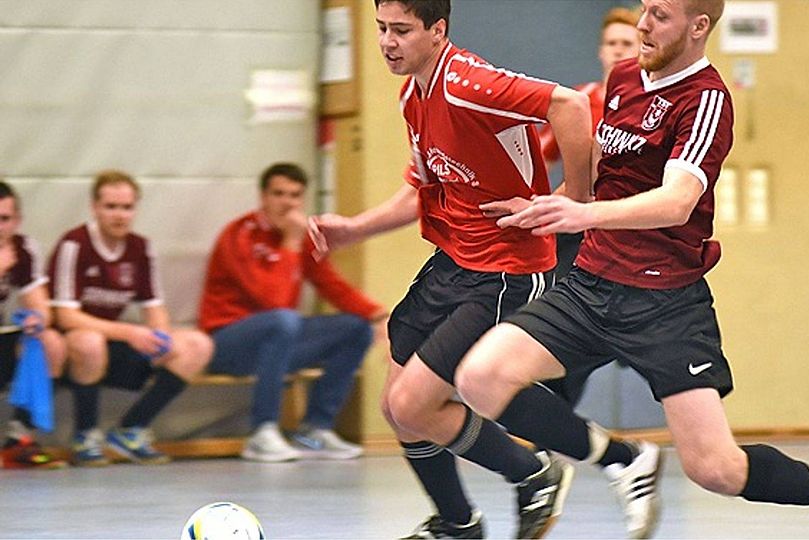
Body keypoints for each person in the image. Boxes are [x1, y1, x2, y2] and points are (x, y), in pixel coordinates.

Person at [456, 1, 809, 539]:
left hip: (665, 303)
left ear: (698, 26)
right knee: (481, 377)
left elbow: (677, 201)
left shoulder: (705, 99)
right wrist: (540, 208)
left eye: (660, 14)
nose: (642, 25)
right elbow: (593, 179)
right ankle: (624, 460)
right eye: (643, 10)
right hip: (591, 285)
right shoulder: (622, 79)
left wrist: (584, 213)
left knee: (716, 470)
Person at [310, 1, 595, 536]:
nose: (387, 42)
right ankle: (458, 522)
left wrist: (572, 201)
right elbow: (421, 186)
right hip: (454, 263)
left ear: (437, 30)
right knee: (397, 407)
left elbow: (572, 106)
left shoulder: (468, 82)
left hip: (508, 269)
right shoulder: (412, 96)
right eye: (381, 29)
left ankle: (534, 473)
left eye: (401, 30)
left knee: (415, 404)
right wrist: (354, 228)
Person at [198, 162, 385, 462]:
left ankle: (315, 430)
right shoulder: (239, 235)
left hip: (279, 340)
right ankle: (262, 432)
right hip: (227, 344)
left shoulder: (302, 239)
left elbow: (330, 284)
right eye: (279, 194)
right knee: (283, 321)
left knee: (356, 328)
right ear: (263, 197)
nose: (287, 203)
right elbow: (272, 301)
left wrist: (377, 315)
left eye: (295, 195)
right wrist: (290, 243)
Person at [48, 170, 213, 466]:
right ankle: (85, 435)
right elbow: (66, 316)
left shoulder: (140, 247)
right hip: (71, 349)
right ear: (95, 207)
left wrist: (160, 337)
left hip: (117, 343)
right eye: (111, 207)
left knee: (197, 345)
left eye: (127, 207)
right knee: (89, 341)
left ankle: (131, 430)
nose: (120, 215)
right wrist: (129, 333)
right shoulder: (74, 244)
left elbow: (153, 306)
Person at [539, 7, 641, 282]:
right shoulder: (578, 101)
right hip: (576, 226)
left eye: (627, 44)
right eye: (611, 44)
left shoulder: (649, 107)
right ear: (601, 51)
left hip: (626, 229)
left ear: (642, 50)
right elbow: (539, 158)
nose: (618, 50)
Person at [0, 181, 68, 469]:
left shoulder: (24, 248)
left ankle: (20, 439)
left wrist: (35, 319)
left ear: (17, 221)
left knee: (50, 341)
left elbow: (41, 306)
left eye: (4, 219)